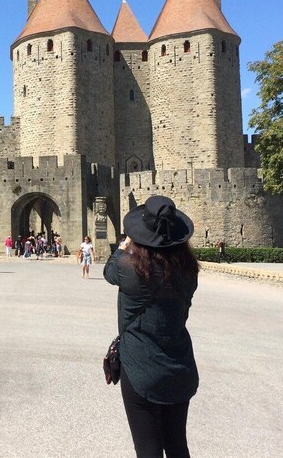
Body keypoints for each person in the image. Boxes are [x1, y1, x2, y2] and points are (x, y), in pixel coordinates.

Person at [103, 196, 199, 458]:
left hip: (141, 368)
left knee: (148, 450)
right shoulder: (189, 270)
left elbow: (109, 271)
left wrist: (123, 246)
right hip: (180, 365)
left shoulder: (130, 268)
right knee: (178, 446)